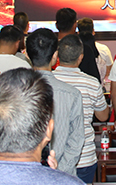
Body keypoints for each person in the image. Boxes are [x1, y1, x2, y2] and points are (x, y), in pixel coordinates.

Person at [53, 34, 110, 183]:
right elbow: (103, 116)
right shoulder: (91, 83)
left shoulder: (46, 81)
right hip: (84, 156)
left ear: (57, 56)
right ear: (80, 58)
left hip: (53, 157)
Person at [26, 30, 85, 176]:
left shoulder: (15, 93)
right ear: (55, 56)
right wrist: (60, 171)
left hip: (25, 174)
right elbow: (76, 140)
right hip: (62, 174)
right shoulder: (72, 94)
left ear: (27, 55)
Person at [55, 7, 101, 82]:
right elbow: (95, 79)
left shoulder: (50, 47)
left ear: (56, 26)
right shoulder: (84, 49)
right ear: (75, 25)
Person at [78, 17, 112, 82]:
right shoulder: (104, 49)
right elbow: (109, 70)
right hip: (97, 85)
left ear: (78, 32)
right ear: (93, 31)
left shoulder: (74, 49)